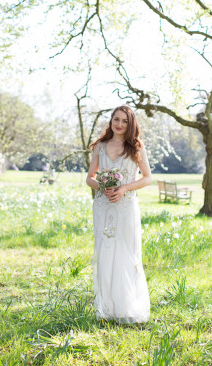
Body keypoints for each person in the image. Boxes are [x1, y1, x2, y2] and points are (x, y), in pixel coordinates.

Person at [86, 105, 152, 324]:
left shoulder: (135, 147)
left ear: (130, 123)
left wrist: (124, 188)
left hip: (126, 207)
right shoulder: (100, 147)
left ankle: (128, 307)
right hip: (104, 207)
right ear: (111, 121)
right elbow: (90, 178)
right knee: (105, 253)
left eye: (124, 121)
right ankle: (107, 308)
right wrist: (102, 187)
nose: (120, 124)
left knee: (126, 253)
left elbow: (147, 178)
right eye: (116, 119)